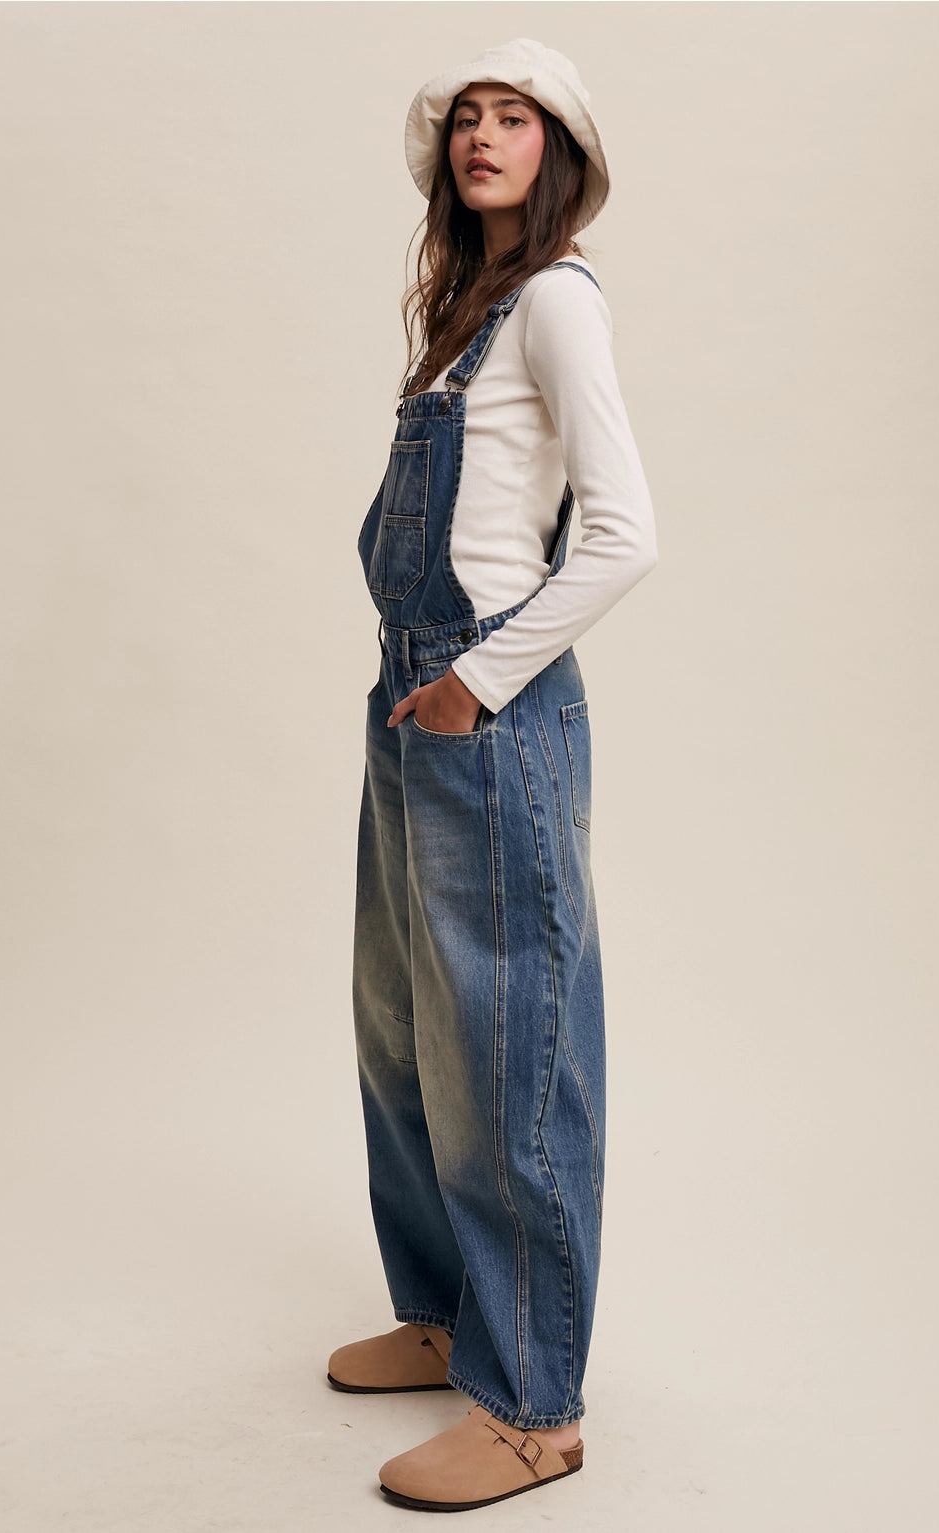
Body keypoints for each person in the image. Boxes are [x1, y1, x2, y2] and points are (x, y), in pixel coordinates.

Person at [327, 38, 657, 1513]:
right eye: (467, 117)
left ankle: (534, 1407)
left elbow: (624, 534)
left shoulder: (560, 301)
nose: (481, 136)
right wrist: (426, 687)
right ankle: (451, 1315)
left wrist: (479, 680)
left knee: (510, 1044)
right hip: (413, 695)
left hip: (486, 707)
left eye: (512, 118)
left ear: (555, 150)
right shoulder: (469, 313)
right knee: (406, 1030)